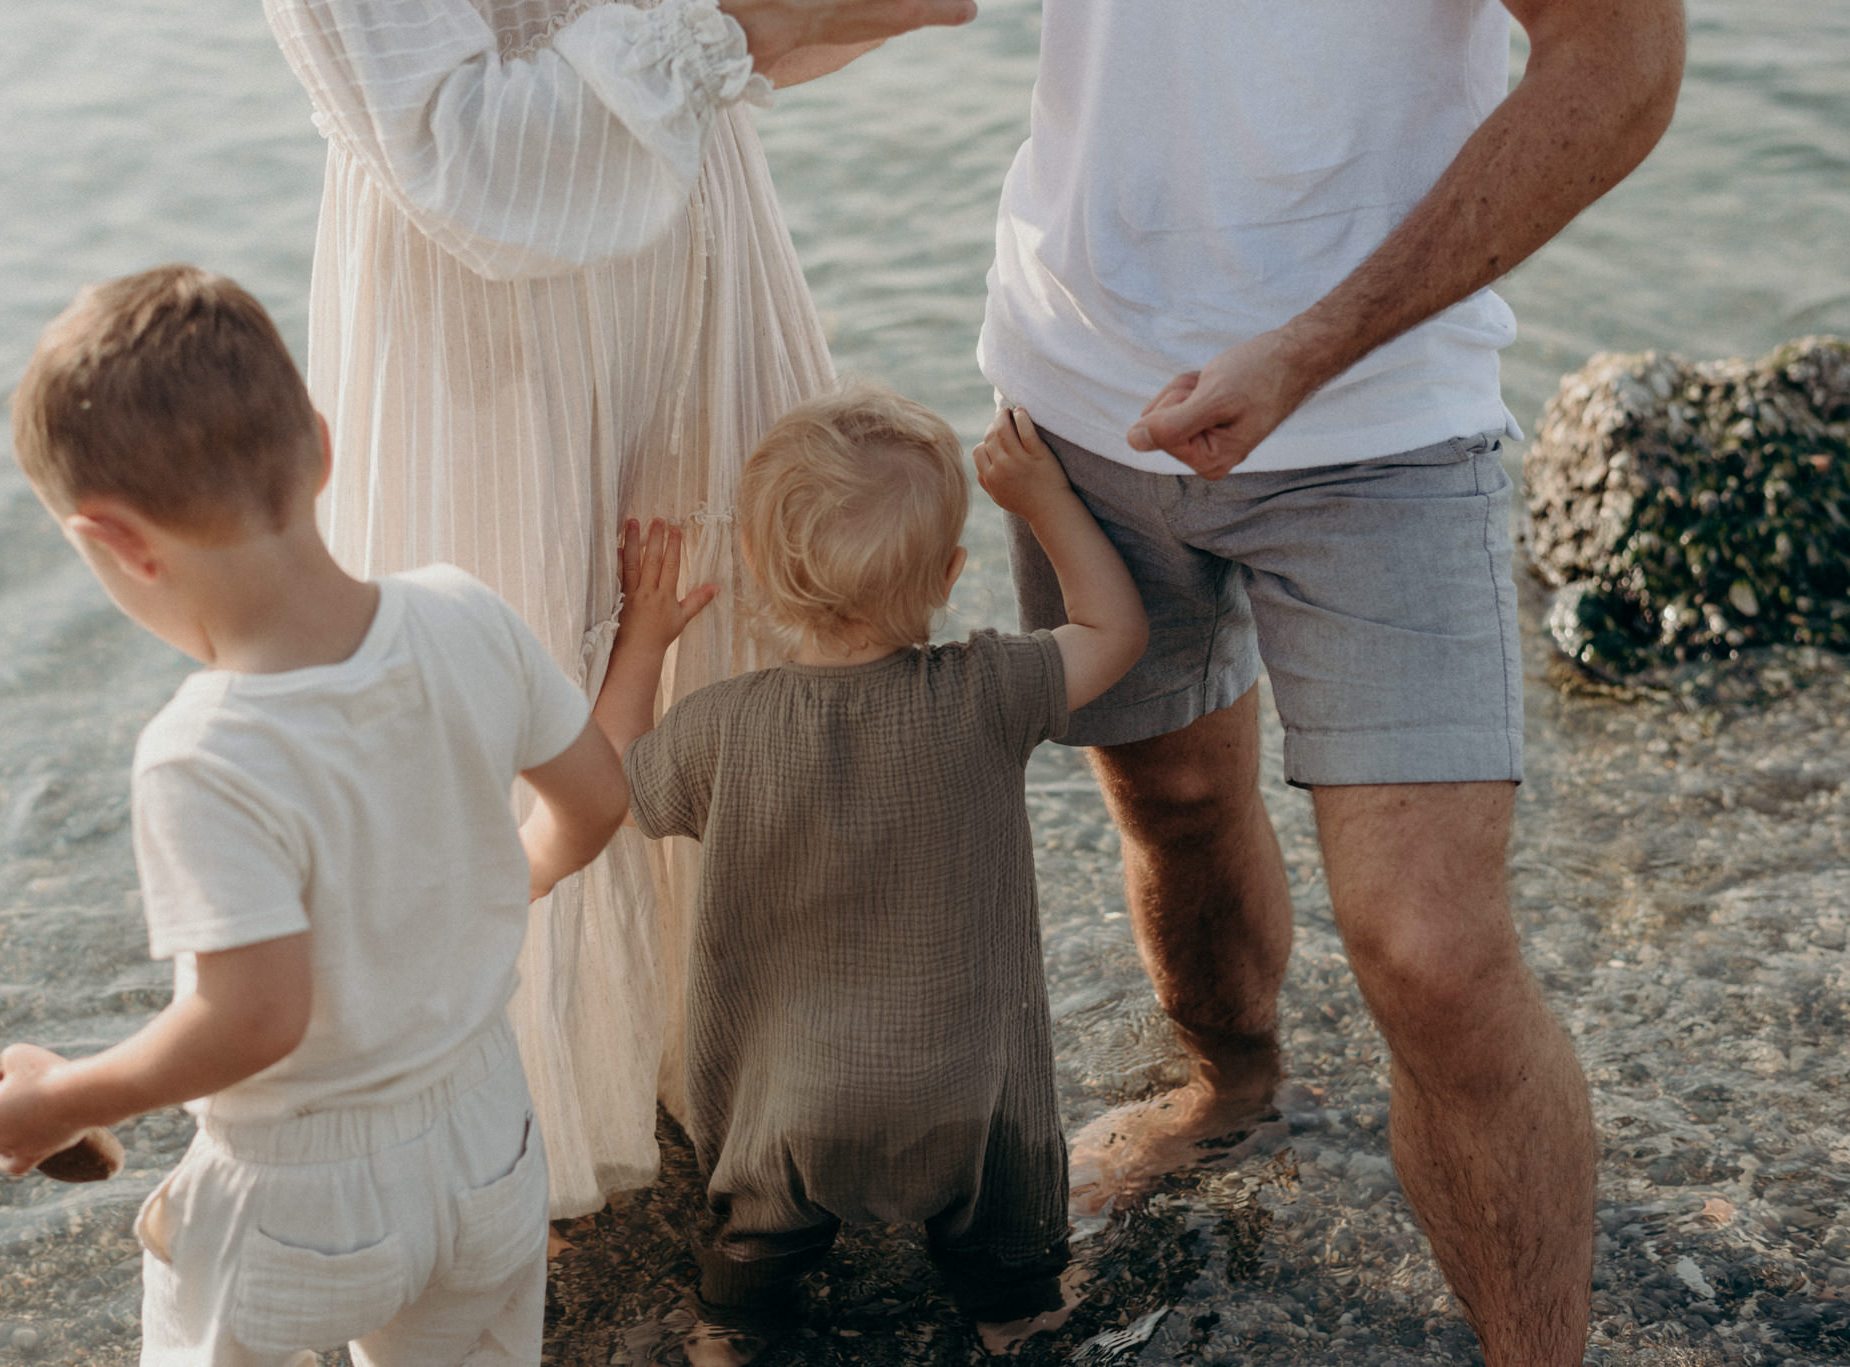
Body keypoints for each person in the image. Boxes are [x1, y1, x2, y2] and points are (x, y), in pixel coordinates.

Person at [977, 1, 1686, 1363]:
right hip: (1077, 382)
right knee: (1175, 797)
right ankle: (1230, 1090)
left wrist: (1308, 345)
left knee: (1432, 949)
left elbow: (1623, 60)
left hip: (1383, 418)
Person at [261, 0, 976, 1220]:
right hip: (480, 315)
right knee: (514, 671)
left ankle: (777, 1069)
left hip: (687, 232)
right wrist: (749, 19)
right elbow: (459, 151)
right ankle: (507, 1122)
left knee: (755, 632)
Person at [0, 264, 628, 1365]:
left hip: (295, 1192)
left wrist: (56, 1099)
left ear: (117, 540)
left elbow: (251, 1018)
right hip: (488, 1132)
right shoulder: (463, 611)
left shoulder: (201, 751)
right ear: (318, 441)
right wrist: (491, 880)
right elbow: (594, 802)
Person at [586, 386, 1146, 1363]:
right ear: (947, 573)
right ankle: (1015, 1318)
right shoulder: (987, 691)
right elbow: (1114, 633)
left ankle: (734, 1331)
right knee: (1017, 1295)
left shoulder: (724, 728)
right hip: (974, 1108)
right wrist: (1045, 499)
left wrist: (641, 635)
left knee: (741, 1299)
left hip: (787, 1122)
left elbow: (606, 789)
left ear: (755, 566)